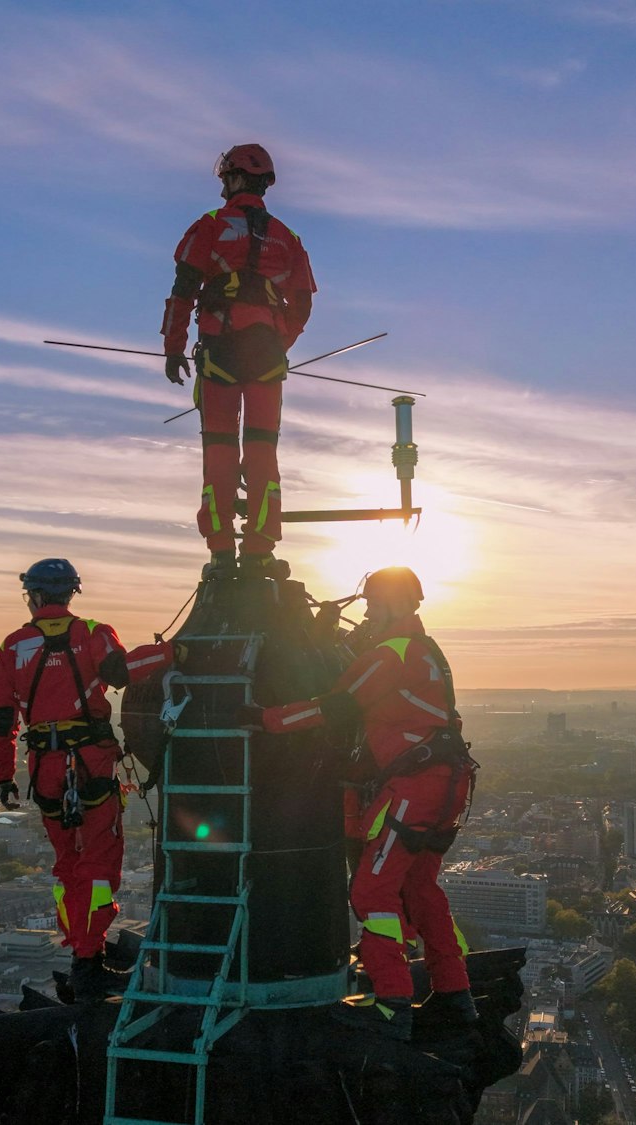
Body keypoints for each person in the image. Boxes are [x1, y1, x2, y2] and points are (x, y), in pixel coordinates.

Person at [251, 567, 479, 1038]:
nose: (370, 614)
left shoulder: (388, 654)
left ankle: (393, 1004)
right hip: (447, 780)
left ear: (392, 604)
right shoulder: (428, 650)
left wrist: (265, 719)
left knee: (372, 893)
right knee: (420, 888)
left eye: (374, 605)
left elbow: (334, 706)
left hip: (414, 785)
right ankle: (456, 996)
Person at [160, 143, 317, 574]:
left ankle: (220, 546)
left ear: (235, 179)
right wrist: (279, 343)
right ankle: (260, 547)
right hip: (266, 356)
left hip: (219, 351)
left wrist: (174, 348)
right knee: (263, 450)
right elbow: (302, 304)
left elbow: (182, 291)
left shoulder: (208, 226)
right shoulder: (288, 237)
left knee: (220, 447)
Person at [0, 558, 132, 1001]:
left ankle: (81, 951)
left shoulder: (14, 646)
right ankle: (90, 961)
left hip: (45, 771)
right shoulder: (93, 632)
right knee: (100, 866)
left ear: (36, 595)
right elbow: (120, 674)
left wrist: (4, 778)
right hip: (91, 764)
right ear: (69, 594)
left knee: (68, 866)